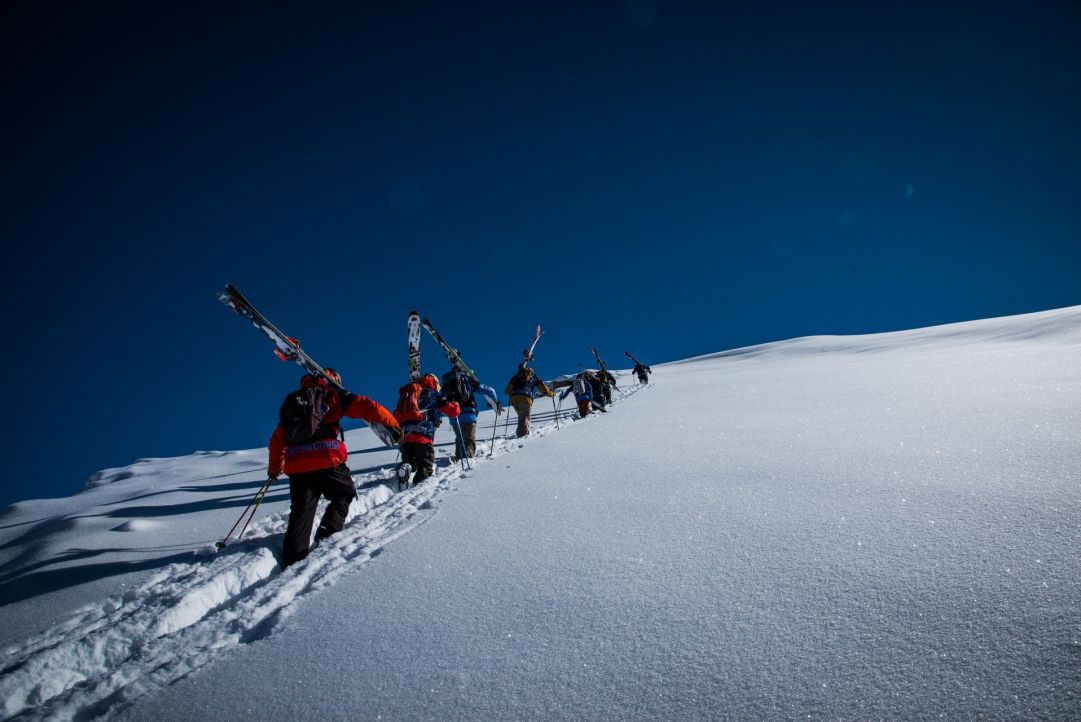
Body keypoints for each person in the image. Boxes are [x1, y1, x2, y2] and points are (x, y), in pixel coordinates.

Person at [268, 368, 401, 567]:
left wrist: (275, 469)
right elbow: (367, 406)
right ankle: (327, 535)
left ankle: (292, 562)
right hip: (326, 457)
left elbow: (278, 439)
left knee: (301, 512)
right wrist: (394, 426)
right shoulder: (332, 396)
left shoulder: (294, 402)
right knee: (345, 493)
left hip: (297, 465)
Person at [394, 373, 461, 487]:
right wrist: (456, 405)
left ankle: (405, 468)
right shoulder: (432, 393)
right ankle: (416, 492)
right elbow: (453, 411)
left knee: (411, 462)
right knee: (425, 467)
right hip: (423, 436)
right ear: (434, 382)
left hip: (405, 436)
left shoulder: (412, 393)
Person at [441, 365, 499, 459]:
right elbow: (490, 391)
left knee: (460, 439)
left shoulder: (446, 384)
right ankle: (466, 458)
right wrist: (495, 403)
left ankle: (459, 460)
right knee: (468, 440)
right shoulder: (468, 380)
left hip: (454, 417)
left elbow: (441, 402)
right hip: (468, 414)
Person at [505, 363, 554, 438]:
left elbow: (507, 391)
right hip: (525, 398)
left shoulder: (515, 377)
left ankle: (521, 434)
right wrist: (551, 394)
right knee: (525, 417)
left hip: (513, 399)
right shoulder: (533, 376)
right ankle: (522, 438)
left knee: (522, 417)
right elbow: (543, 389)